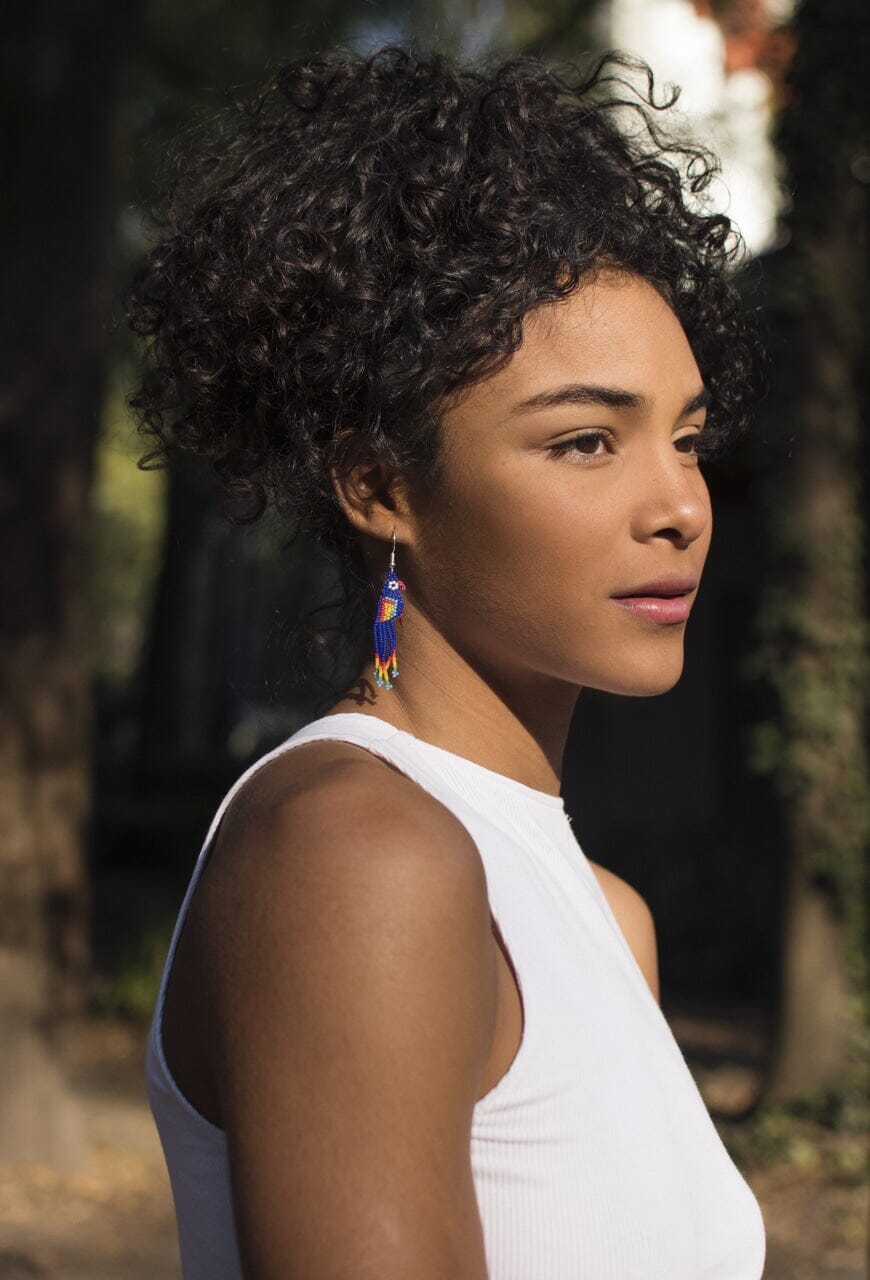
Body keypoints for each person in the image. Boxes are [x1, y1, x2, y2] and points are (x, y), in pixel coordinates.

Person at [124, 45, 766, 1279]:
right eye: (587, 440)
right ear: (380, 484)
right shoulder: (355, 848)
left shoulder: (602, 912)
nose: (680, 503)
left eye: (686, 437)